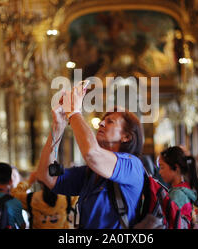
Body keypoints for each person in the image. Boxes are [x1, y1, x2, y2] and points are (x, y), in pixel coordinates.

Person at [36, 83, 145, 229]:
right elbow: (46, 176)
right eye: (103, 120)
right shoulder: (91, 174)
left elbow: (92, 154)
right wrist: (58, 126)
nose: (101, 123)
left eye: (110, 121)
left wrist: (74, 112)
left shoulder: (132, 166)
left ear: (126, 137)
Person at [157, 146, 198, 218]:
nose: (160, 172)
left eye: (162, 167)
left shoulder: (177, 195)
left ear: (176, 168)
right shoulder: (185, 188)